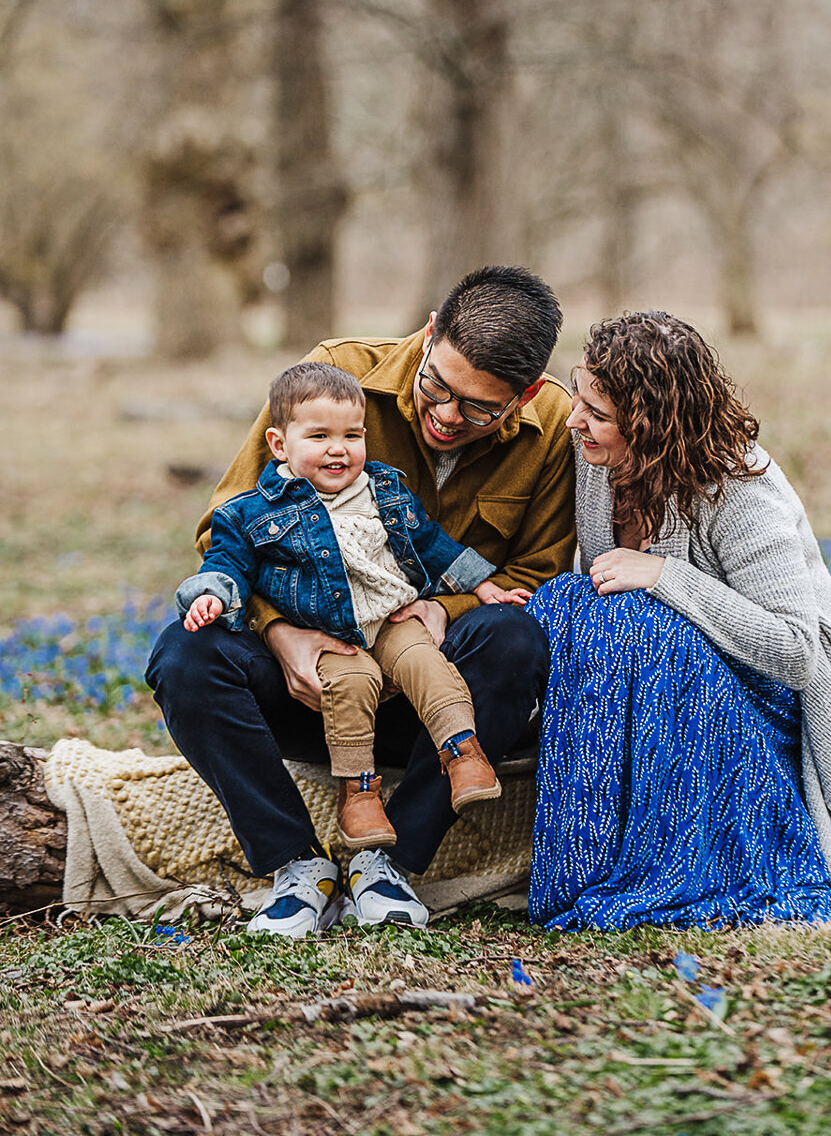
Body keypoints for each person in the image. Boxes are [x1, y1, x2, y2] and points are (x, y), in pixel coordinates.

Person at [147, 266, 574, 935]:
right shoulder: (333, 379)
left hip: (430, 696)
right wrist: (280, 633)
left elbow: (537, 577)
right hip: (313, 686)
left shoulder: (553, 429)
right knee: (184, 654)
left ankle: (391, 866)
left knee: (515, 642)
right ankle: (296, 865)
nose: (446, 415)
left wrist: (444, 611)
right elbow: (227, 526)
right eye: (438, 385)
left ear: (527, 395)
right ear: (431, 333)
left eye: (479, 408)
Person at [528, 311, 831, 932]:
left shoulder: (739, 488)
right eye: (579, 396)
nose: (574, 422)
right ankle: (587, 855)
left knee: (629, 617)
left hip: (768, 694)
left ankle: (672, 862)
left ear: (650, 424)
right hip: (662, 677)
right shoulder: (597, 461)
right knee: (574, 603)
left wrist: (669, 577)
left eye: (596, 412)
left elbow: (796, 651)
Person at [176, 362, 530, 906]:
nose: (338, 450)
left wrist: (480, 586)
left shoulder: (385, 490)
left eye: (351, 436)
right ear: (278, 443)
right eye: (318, 437)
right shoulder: (253, 513)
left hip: (392, 617)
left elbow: (433, 545)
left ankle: (462, 751)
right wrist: (214, 595)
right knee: (351, 686)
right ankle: (357, 794)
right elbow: (228, 560)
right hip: (331, 636)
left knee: (425, 662)